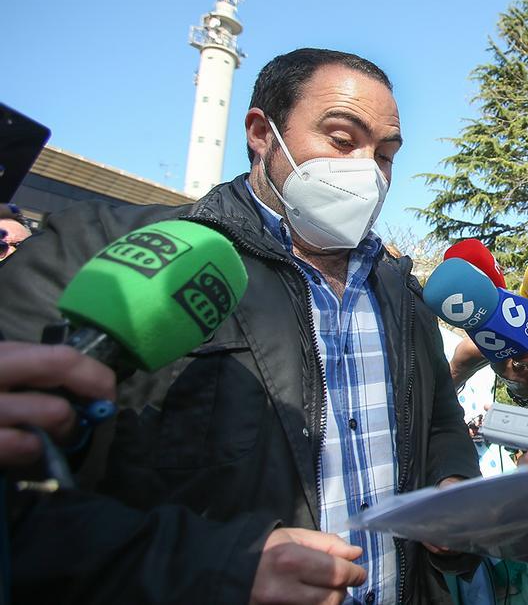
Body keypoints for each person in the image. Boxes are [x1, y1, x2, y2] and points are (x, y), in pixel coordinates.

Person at [0, 48, 480, 604]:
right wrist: (213, 568)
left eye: (386, 154)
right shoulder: (111, 253)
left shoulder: (403, 293)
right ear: (261, 132)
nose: (368, 171)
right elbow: (23, 507)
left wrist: (453, 487)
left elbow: (440, 422)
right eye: (343, 140)